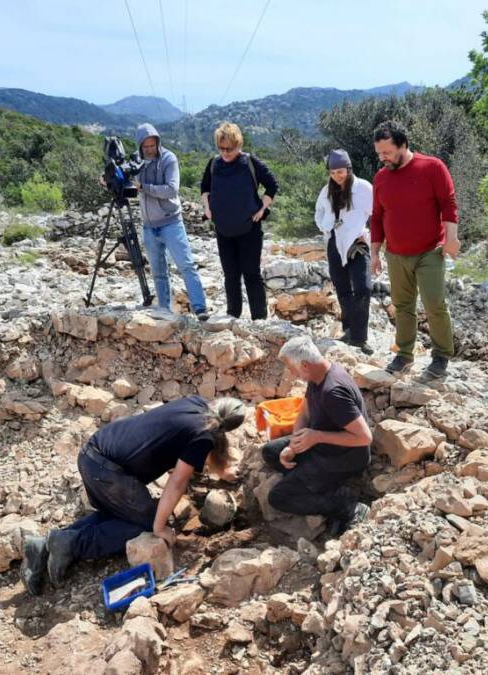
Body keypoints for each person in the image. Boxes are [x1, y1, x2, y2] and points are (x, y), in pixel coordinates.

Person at [20, 396, 245, 594]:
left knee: (123, 513)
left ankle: (42, 545)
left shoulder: (197, 403)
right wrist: (159, 527)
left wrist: (223, 470)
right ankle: (71, 544)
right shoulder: (204, 435)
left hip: (95, 454)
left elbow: (201, 442)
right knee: (145, 524)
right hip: (107, 471)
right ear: (228, 429)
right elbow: (176, 482)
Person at [369, 120, 460, 379]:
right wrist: (375, 253)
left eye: (387, 152)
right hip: (396, 254)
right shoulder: (381, 177)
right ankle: (404, 354)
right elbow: (377, 217)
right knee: (402, 305)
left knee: (434, 303)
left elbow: (449, 203)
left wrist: (451, 239)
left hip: (429, 251)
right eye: (379, 153)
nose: (382, 158)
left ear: (403, 145)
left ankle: (441, 356)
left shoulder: (432, 167)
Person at [261, 335, 372, 537]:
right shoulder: (317, 374)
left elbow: (364, 437)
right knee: (270, 451)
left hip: (344, 457)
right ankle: (311, 480)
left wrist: (317, 436)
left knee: (279, 498)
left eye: (292, 369)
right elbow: (305, 412)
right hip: (320, 444)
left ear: (304, 365)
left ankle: (346, 504)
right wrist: (293, 446)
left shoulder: (333, 392)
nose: (291, 374)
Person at [200, 122, 279, 320]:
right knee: (230, 276)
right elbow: (205, 187)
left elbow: (272, 185)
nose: (225, 152)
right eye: (221, 148)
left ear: (238, 144)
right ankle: (232, 315)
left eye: (230, 148)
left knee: (252, 275)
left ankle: (259, 320)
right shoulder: (213, 164)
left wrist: (262, 208)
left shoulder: (250, 162)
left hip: (249, 229)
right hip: (223, 230)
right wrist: (207, 207)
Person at [134, 123, 209, 320]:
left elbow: (171, 189)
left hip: (170, 222)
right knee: (158, 272)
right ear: (140, 145)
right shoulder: (137, 162)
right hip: (149, 226)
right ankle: (164, 311)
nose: (150, 149)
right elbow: (130, 186)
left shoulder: (169, 158)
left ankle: (200, 308)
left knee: (186, 265)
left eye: (153, 145)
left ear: (158, 142)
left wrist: (144, 186)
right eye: (146, 146)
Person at [314, 149, 374, 356]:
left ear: (348, 169)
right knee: (342, 287)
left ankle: (360, 338)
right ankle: (349, 331)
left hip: (357, 243)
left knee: (363, 288)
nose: (337, 176)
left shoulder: (364, 188)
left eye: (340, 172)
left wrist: (371, 238)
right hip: (334, 243)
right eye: (332, 173)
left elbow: (378, 214)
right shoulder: (326, 191)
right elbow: (319, 212)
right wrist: (326, 227)